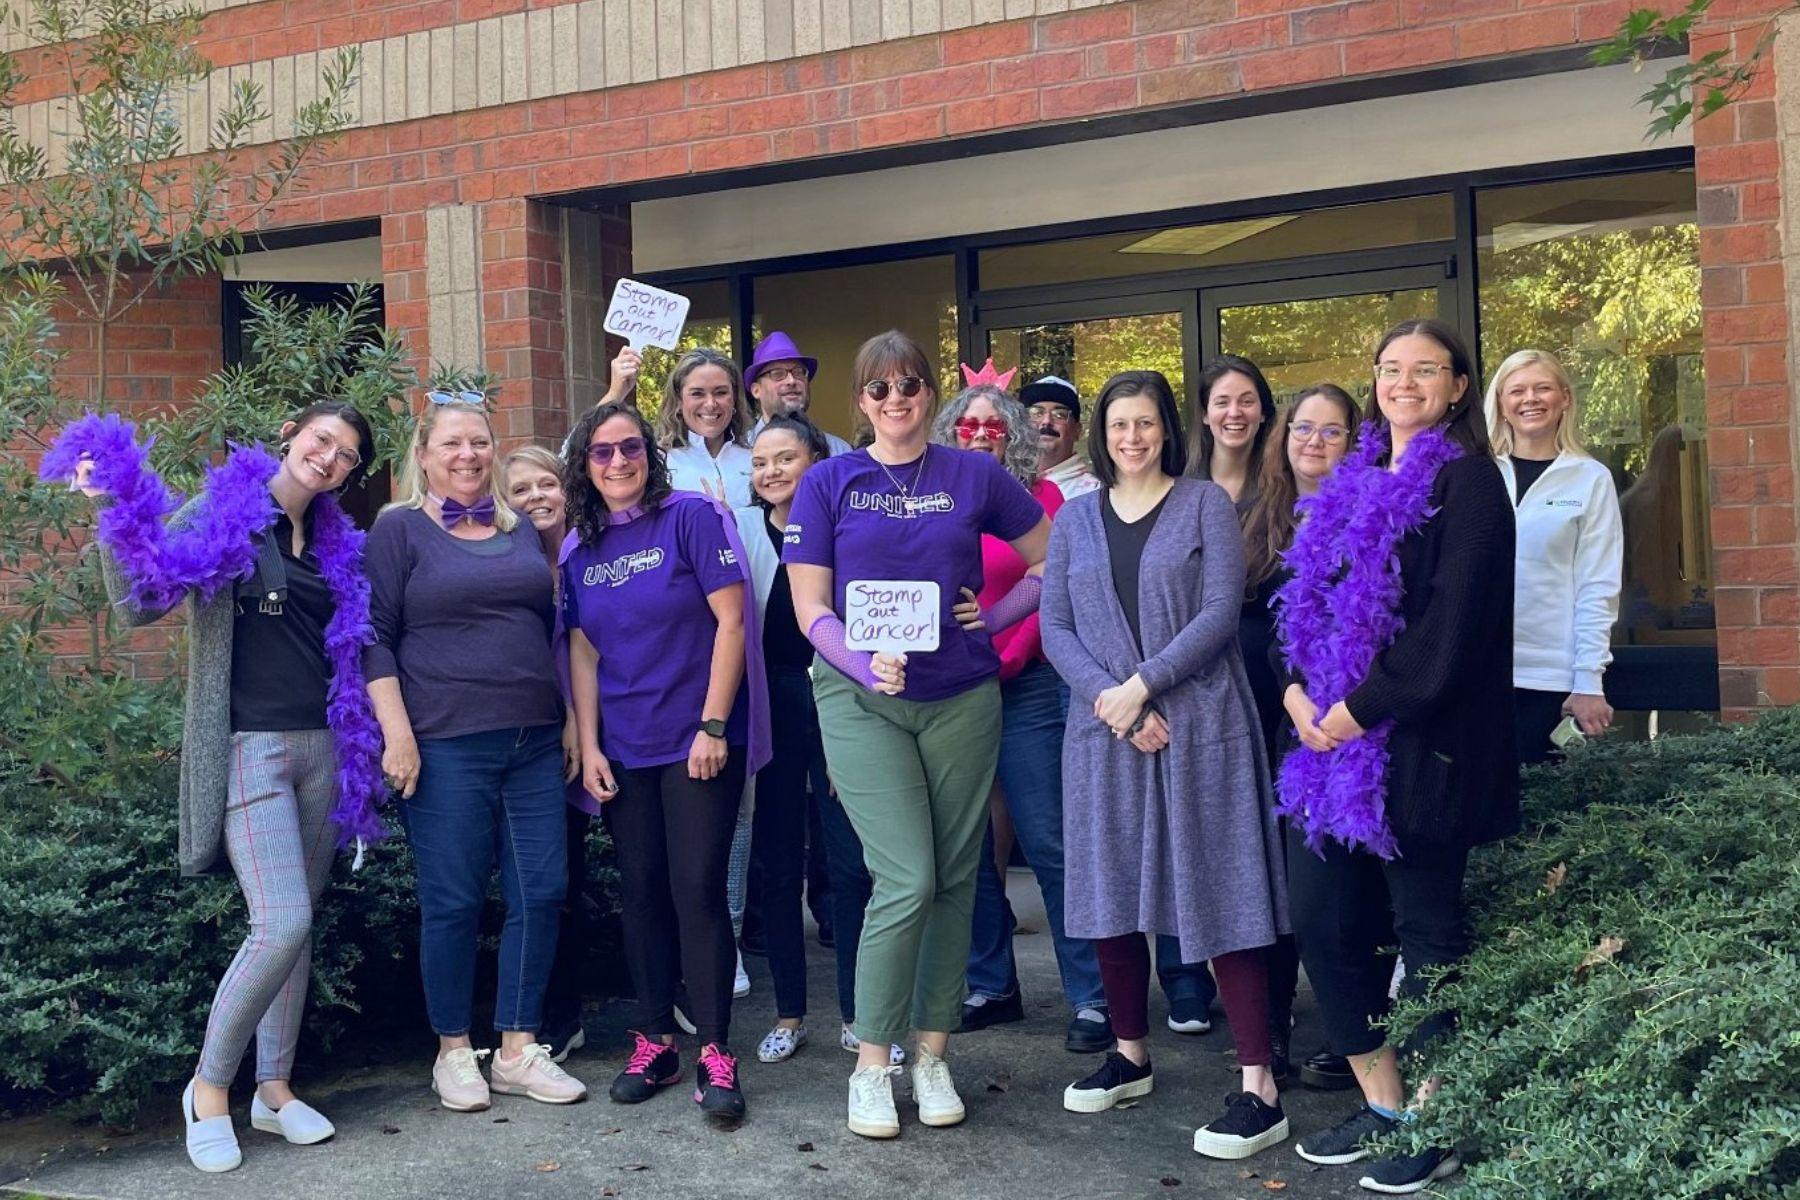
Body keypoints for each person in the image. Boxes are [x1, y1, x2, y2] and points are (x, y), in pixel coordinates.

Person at [52, 403, 383, 1173]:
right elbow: (140, 600)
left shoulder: (335, 539)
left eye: (346, 455)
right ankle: (208, 1089)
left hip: (324, 749)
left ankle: (274, 1089)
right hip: (247, 749)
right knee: (280, 920)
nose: (329, 458)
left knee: (299, 931)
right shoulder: (230, 510)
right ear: (290, 436)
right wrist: (110, 506)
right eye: (320, 441)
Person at [783, 330, 1051, 1139]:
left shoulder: (973, 472)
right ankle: (874, 1062)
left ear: (930, 394)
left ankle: (932, 1052)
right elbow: (809, 609)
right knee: (905, 875)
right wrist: (864, 666)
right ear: (859, 402)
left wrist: (997, 614)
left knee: (956, 879)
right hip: (862, 700)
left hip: (961, 695)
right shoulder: (829, 481)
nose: (895, 401)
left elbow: (1052, 554)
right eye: (879, 390)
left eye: (909, 386)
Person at [1277, 319, 1516, 1193]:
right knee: (1326, 923)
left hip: (1423, 750)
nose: (1404, 382)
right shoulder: (1348, 479)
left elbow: (1451, 633)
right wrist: (1301, 697)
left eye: (1426, 370)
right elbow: (1301, 605)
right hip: (1327, 752)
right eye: (1389, 368)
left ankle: (1440, 1117)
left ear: (1459, 387)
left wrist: (1355, 710)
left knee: (1428, 937)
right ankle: (1384, 1102)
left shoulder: (1470, 484)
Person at [1041, 370, 1291, 1161]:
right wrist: (1114, 703)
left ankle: (1259, 1085)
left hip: (1198, 726)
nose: (1132, 437)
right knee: (1109, 891)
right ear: (1102, 434)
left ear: (1166, 430)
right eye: (1119, 424)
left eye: (1145, 423)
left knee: (1222, 890)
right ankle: (1129, 1053)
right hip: (1104, 732)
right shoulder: (1077, 521)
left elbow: (1221, 612)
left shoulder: (1204, 505)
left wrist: (1145, 689)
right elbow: (1056, 627)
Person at [364, 392, 588, 1115]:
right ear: (424, 455)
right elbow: (374, 637)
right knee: (455, 900)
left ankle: (519, 1048)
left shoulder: (521, 528)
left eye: (480, 442)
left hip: (530, 740)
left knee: (541, 890)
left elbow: (554, 626)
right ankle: (454, 1051)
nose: (468, 455)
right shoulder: (398, 530)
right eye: (452, 443)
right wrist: (397, 733)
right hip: (446, 743)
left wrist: (566, 720)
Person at [560, 402, 770, 1128]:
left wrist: (713, 724)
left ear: (648, 453)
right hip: (623, 744)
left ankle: (714, 1049)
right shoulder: (577, 549)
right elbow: (581, 654)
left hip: (697, 740)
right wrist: (588, 747)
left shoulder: (690, 517)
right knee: (641, 892)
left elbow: (733, 622)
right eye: (600, 453)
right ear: (583, 468)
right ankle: (654, 1042)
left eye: (628, 448)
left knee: (697, 888)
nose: (617, 462)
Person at [932, 368, 1111, 1054]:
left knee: (1050, 841)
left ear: (1016, 437)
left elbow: (1052, 592)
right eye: (968, 426)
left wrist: (1001, 651)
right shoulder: (936, 498)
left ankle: (1092, 997)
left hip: (1026, 686)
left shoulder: (1046, 504)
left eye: (994, 426)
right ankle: (990, 985)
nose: (981, 436)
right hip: (952, 690)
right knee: (968, 847)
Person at [733, 415, 897, 1066]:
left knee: (851, 866)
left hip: (842, 705)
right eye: (760, 461)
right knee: (777, 866)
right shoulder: (742, 533)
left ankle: (861, 1015)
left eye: (785, 458)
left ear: (816, 461)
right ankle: (790, 1012)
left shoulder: (845, 529)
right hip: (771, 713)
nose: (771, 471)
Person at [1239, 386, 1363, 1090]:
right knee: (1273, 874)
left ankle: (1354, 1032)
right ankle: (1276, 1028)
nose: (1313, 441)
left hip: (1338, 715)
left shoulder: (1368, 513)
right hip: (1262, 709)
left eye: (1333, 431)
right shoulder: (1258, 517)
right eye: (1302, 428)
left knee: (1333, 882)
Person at [1483, 349, 1624, 764]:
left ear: (1564, 399)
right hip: (1474, 673)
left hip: (1549, 679)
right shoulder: (1477, 473)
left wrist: (1588, 681)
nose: (1531, 399)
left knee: (1541, 814)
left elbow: (1598, 587)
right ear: (1502, 405)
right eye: (1518, 391)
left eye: (1543, 388)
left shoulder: (1591, 478)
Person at [502, 445, 591, 1064]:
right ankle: (563, 1015)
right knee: (560, 882)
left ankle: (667, 996)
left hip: (620, 725)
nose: (536, 497)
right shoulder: (506, 563)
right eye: (520, 491)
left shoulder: (597, 545)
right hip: (546, 741)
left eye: (546, 484)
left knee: (652, 871)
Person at [651, 348, 757, 507]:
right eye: (697, 394)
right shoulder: (658, 463)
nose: (710, 404)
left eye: (720, 392)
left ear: (734, 398)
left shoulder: (756, 459)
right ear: (679, 401)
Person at [1187, 354, 1277, 513]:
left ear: (1263, 412)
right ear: (1205, 415)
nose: (1234, 413)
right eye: (1222, 402)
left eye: (1246, 401)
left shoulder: (1283, 488)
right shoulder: (1180, 491)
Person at [744, 330, 854, 455]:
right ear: (756, 390)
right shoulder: (739, 453)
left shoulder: (839, 452)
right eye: (778, 374)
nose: (791, 381)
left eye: (799, 372)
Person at [1024, 375, 1101, 502]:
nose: (1047, 421)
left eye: (1059, 415)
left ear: (1077, 431)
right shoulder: (1008, 482)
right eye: (1037, 413)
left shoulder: (1094, 494)